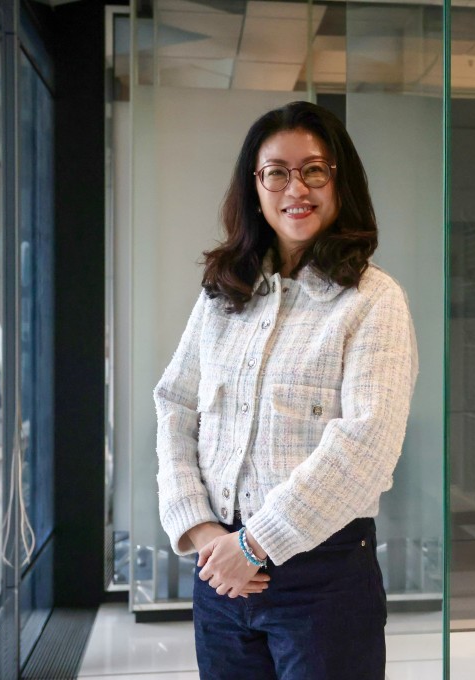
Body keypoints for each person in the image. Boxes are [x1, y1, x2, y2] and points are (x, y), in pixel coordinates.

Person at [154, 100, 418, 680]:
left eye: (314, 170)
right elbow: (175, 403)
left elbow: (366, 446)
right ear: (255, 186)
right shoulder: (224, 294)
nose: (295, 187)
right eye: (276, 171)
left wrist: (255, 543)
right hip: (220, 572)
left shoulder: (373, 300)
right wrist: (202, 532)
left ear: (339, 180)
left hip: (321, 578)